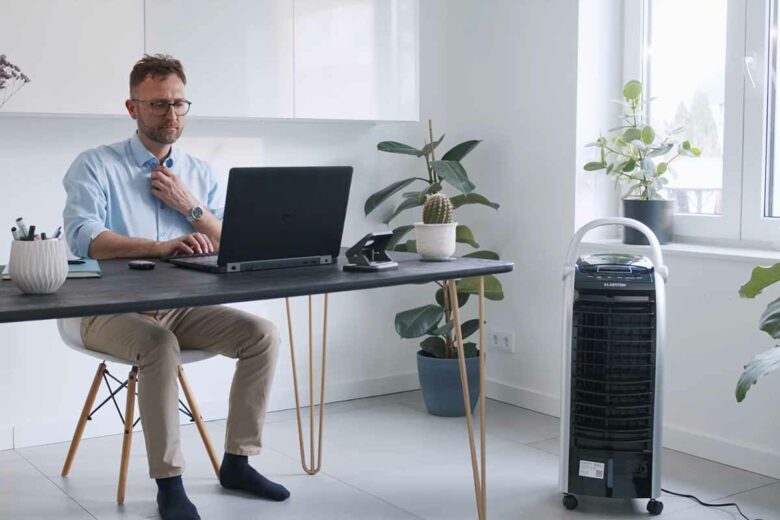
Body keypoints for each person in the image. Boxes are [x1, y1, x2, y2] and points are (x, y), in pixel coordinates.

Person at [62, 54, 289, 520]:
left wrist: (191, 207)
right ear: (132, 108)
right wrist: (161, 248)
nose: (171, 115)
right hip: (105, 309)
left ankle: (238, 463)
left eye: (179, 104)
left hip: (182, 307)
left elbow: (234, 241)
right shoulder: (95, 166)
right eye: (159, 105)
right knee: (159, 344)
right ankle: (170, 484)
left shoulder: (199, 173)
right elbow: (87, 238)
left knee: (262, 334)